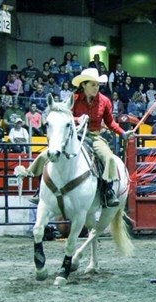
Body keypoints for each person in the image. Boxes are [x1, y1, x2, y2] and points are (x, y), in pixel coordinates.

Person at [17, 68, 135, 206]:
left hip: (95, 136)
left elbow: (109, 122)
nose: (96, 88)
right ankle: (39, 188)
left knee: (108, 157)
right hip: (75, 135)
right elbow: (65, 116)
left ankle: (108, 191)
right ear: (84, 85)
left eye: (97, 85)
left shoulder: (105, 101)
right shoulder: (74, 99)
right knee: (46, 155)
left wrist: (122, 133)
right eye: (93, 84)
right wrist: (78, 119)